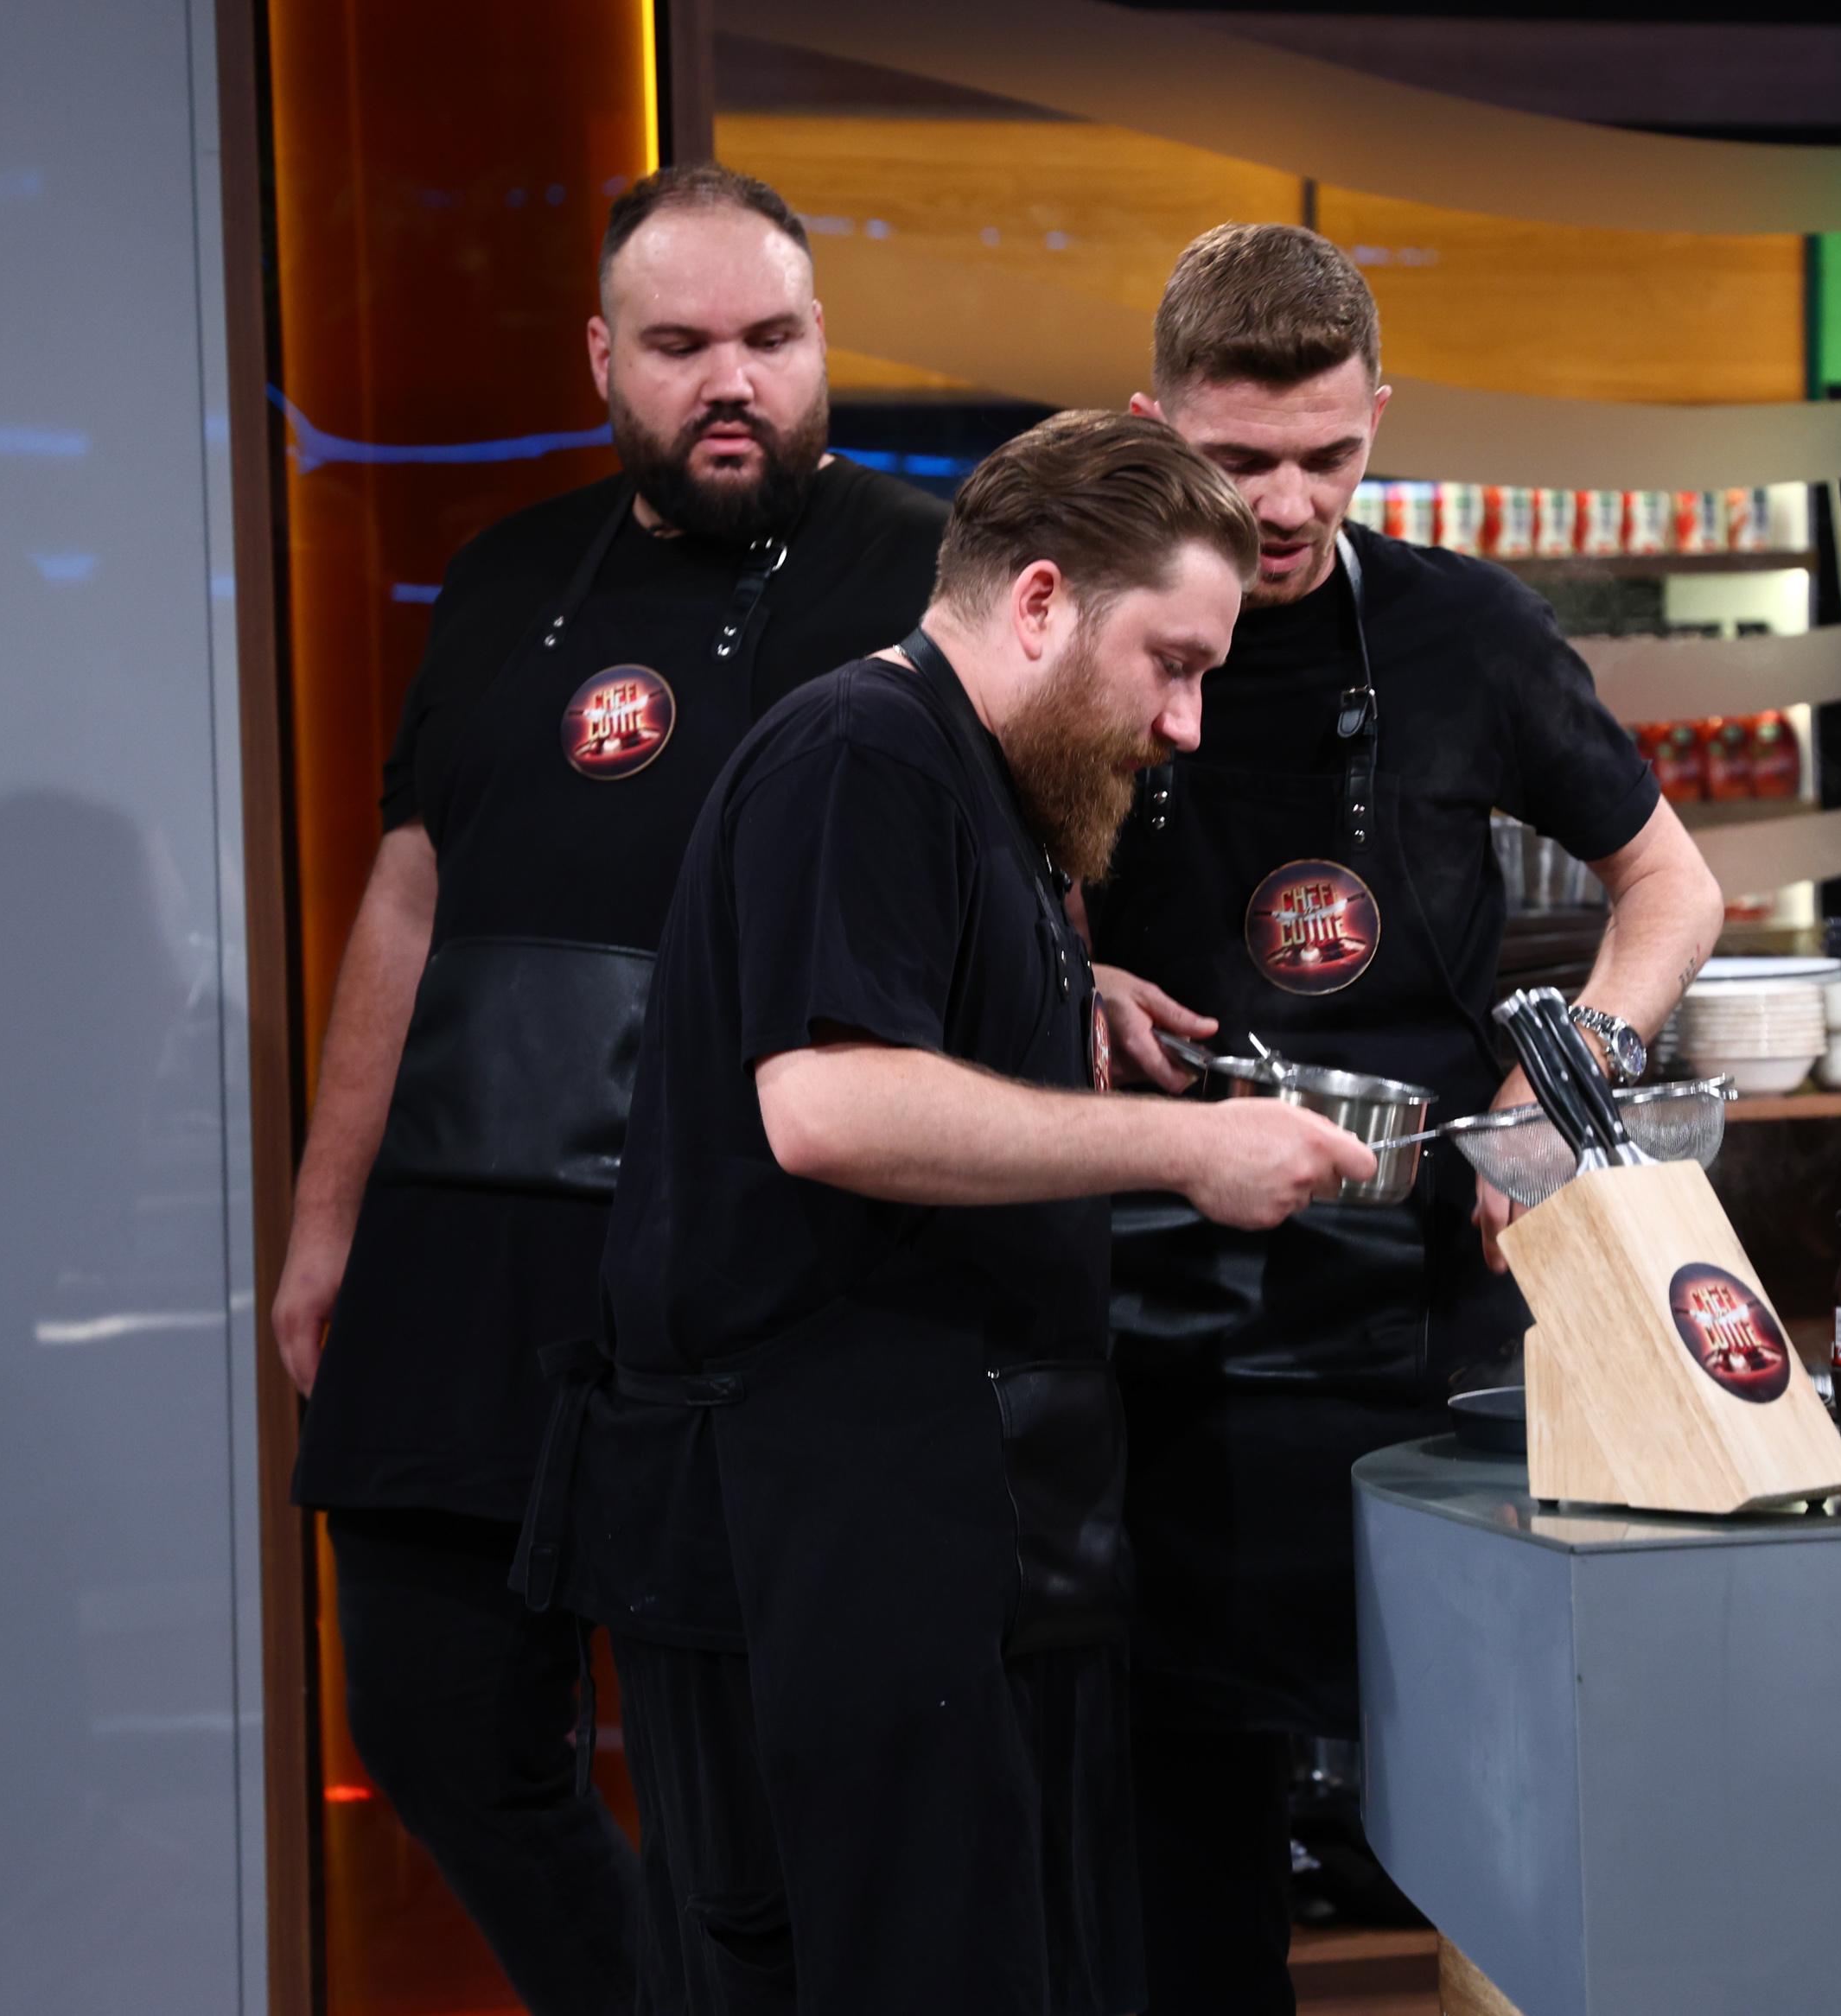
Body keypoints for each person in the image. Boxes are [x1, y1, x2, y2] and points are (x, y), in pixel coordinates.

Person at [519, 410, 1376, 2016]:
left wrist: (1060, 991)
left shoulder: (983, 789)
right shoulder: (862, 752)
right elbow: (830, 1105)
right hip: (815, 1532)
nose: (1186, 723)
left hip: (943, 1523)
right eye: (1171, 664)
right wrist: (1185, 1151)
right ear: (1041, 601)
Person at [268, 165, 947, 2016]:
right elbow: (411, 899)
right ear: (601, 358)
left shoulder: (927, 580)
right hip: (457, 1248)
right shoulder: (502, 577)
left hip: (742, 1263)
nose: (731, 382)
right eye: (680, 345)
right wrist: (329, 1220)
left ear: (821, 346)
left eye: (770, 340)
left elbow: (1000, 875)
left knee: (751, 1795)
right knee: (435, 1734)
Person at [1089, 224, 1727, 2013]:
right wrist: (1066, 970)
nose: (1287, 506)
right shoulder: (1080, 629)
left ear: (1381, 412)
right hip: (1157, 1331)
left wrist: (1566, 1074)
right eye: (1239, 460)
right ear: (1152, 424)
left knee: (1495, 1798)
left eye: (1328, 455)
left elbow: (1672, 888)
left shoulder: (1469, 631)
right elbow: (966, 891)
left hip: (1435, 1306)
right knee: (1181, 1838)